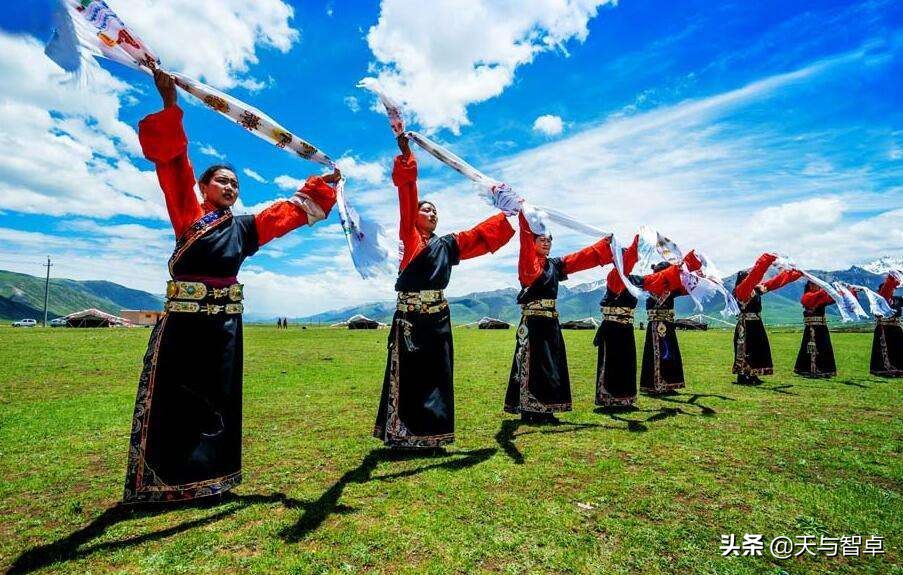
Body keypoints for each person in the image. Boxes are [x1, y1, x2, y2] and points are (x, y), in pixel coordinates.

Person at [123, 69, 341, 504]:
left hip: (225, 328)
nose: (230, 186)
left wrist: (324, 185)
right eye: (221, 180)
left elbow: (289, 213)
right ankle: (167, 480)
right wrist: (170, 107)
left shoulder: (245, 229)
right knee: (177, 399)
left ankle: (212, 477)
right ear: (203, 188)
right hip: (183, 327)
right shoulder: (189, 216)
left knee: (216, 400)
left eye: (235, 183)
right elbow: (173, 166)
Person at [373, 134, 517, 449]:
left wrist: (507, 215)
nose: (431, 214)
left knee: (437, 377)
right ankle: (403, 434)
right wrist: (407, 159)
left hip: (439, 320)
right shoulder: (409, 237)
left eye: (435, 211)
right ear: (415, 216)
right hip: (411, 320)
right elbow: (408, 195)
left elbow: (477, 236)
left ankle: (433, 436)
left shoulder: (446, 245)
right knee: (411, 377)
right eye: (426, 210)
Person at [505, 214, 614, 423]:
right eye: (541, 239)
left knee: (551, 365)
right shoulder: (528, 264)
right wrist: (524, 217)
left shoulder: (554, 265)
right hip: (533, 323)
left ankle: (547, 407)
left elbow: (581, 258)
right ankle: (530, 409)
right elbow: (525, 242)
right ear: (532, 242)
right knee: (534, 364)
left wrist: (605, 245)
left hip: (551, 323)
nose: (546, 242)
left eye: (549, 239)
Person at [635, 253, 701, 395]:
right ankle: (657, 384)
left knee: (667, 353)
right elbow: (685, 288)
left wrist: (697, 276)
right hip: (659, 325)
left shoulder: (666, 288)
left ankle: (667, 384)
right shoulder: (657, 287)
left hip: (665, 325)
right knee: (660, 353)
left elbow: (687, 288)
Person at [732, 261, 802, 384]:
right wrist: (765, 262)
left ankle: (753, 374)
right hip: (746, 325)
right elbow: (753, 279)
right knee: (746, 349)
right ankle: (743, 375)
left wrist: (795, 274)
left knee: (757, 349)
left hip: (756, 324)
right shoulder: (740, 290)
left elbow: (775, 283)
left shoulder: (755, 289)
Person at [594, 234, 640, 408]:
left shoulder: (633, 280)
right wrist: (638, 240)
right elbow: (626, 264)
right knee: (613, 363)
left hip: (626, 328)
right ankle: (610, 397)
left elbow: (655, 282)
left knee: (627, 363)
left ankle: (625, 397)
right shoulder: (614, 277)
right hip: (613, 328)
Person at [794, 281, 843, 378]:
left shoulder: (820, 296)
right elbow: (812, 299)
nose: (818, 287)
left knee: (823, 347)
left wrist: (845, 292)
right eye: (816, 284)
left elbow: (833, 299)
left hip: (822, 327)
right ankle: (810, 369)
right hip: (812, 328)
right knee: (812, 347)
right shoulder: (807, 296)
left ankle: (823, 369)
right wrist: (827, 288)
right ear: (811, 286)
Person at [870, 273, 902, 377]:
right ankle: (883, 369)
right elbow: (876, 313)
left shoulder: (898, 299)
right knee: (884, 349)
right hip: (883, 328)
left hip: (896, 328)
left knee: (897, 349)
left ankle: (899, 369)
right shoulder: (877, 302)